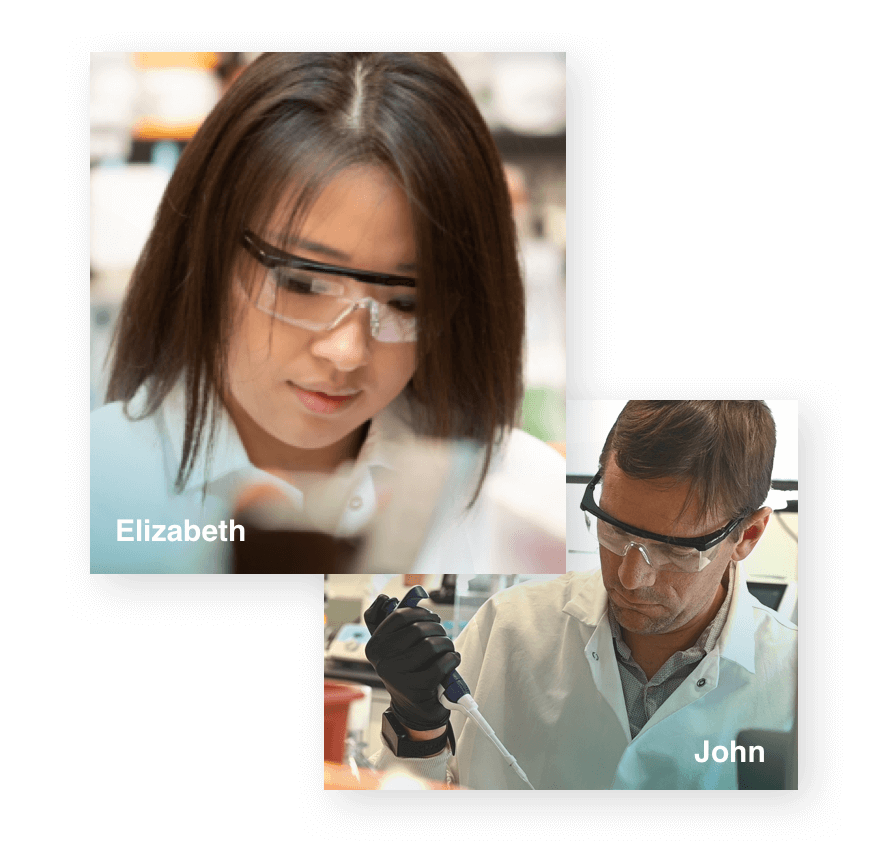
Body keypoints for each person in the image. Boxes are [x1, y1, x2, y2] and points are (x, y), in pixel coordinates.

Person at [90, 52, 565, 573]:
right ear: (206, 246)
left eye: (408, 302)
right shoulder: (105, 488)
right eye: (302, 283)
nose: (347, 351)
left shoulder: (527, 504)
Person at [365, 401, 797, 789]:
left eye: (675, 550)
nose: (631, 576)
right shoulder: (508, 628)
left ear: (748, 534)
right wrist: (416, 725)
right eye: (614, 529)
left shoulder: (787, 681)